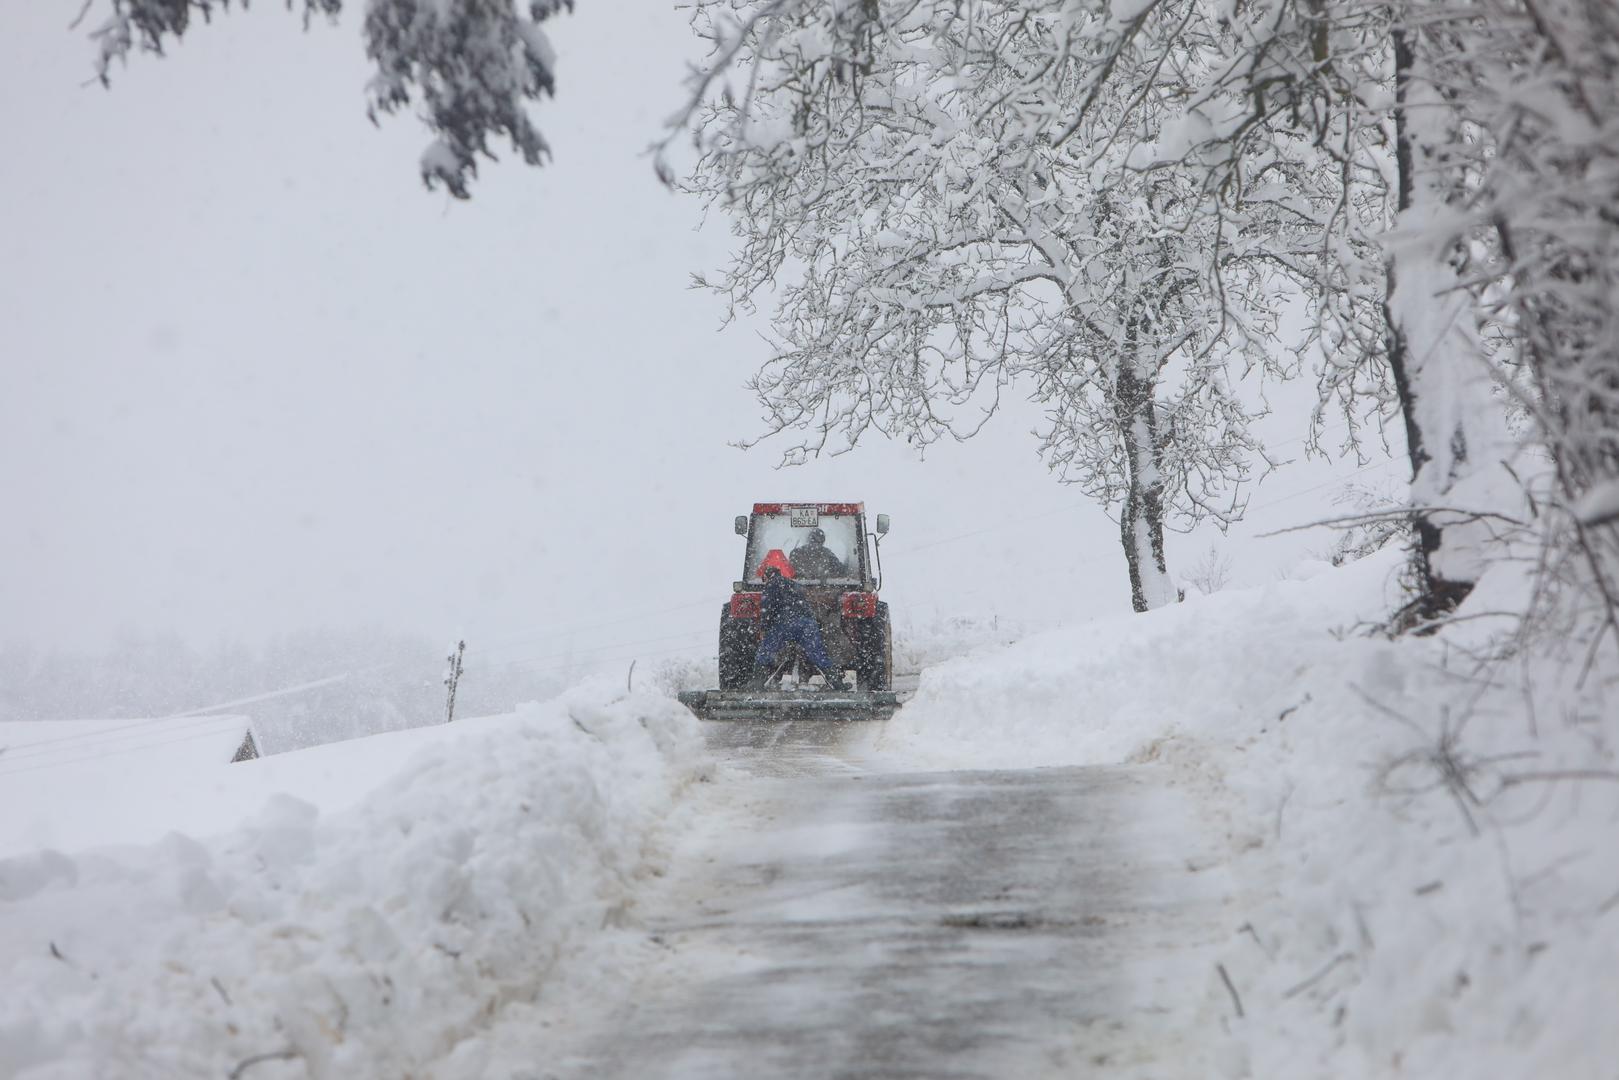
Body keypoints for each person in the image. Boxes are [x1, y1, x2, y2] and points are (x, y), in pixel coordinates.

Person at [750, 549, 848, 690]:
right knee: (818, 654)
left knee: (766, 651)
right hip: (807, 624)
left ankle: (756, 685)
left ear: (768, 576)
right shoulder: (795, 585)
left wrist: (764, 628)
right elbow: (806, 605)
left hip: (785, 623)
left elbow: (767, 609)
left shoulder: (771, 585)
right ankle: (838, 685)